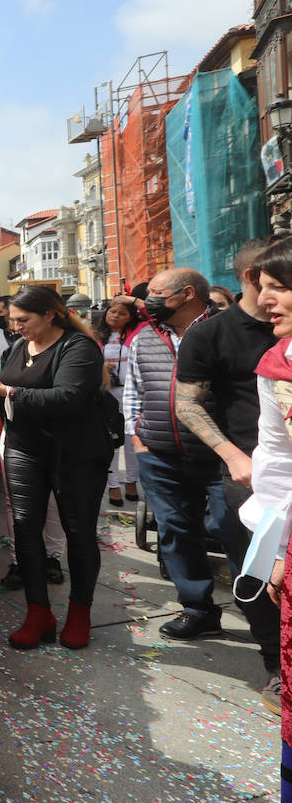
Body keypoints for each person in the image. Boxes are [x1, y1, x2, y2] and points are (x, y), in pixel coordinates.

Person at [0, 285, 113, 651]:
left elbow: (66, 397)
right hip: (24, 449)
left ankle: (80, 612)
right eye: (12, 320)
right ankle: (38, 611)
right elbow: (6, 403)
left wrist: (5, 391)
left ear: (51, 314)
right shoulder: (18, 347)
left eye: (23, 320)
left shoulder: (79, 348)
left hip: (75, 454)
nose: (15, 327)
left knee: (78, 533)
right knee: (24, 529)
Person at [173, 238, 281, 710]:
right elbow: (186, 403)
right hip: (249, 479)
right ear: (254, 277)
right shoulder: (211, 334)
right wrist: (234, 457)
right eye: (274, 278)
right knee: (259, 576)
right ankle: (278, 666)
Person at [123, 268, 235, 642]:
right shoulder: (144, 338)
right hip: (161, 453)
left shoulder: (228, 331)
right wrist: (138, 439)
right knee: (174, 530)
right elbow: (133, 391)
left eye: (155, 292)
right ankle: (197, 608)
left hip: (224, 456)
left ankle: (260, 609)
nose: (147, 299)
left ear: (187, 294)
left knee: (232, 530)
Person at [242, 241, 292, 734]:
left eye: (278, 288)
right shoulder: (276, 364)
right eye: (263, 288)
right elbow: (276, 463)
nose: (263, 302)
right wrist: (278, 550)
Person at [97, 298, 142, 506]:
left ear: (131, 317)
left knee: (133, 441)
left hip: (133, 394)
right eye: (112, 311)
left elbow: (151, 315)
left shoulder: (139, 332)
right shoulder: (96, 336)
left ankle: (131, 481)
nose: (115, 315)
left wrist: (131, 300)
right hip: (107, 396)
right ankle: (113, 485)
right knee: (112, 441)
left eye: (122, 313)